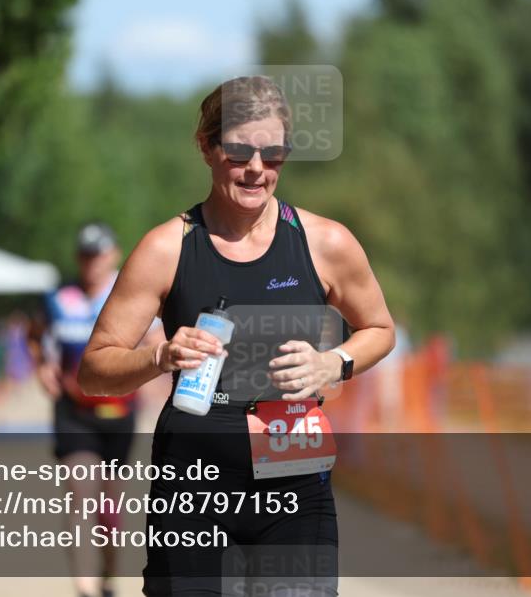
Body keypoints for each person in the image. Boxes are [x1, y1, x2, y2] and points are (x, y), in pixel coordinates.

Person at [79, 75, 396, 596]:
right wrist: (160, 355)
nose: (256, 169)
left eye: (273, 155)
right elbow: (94, 370)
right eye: (239, 152)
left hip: (294, 487)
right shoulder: (167, 248)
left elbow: (379, 328)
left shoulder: (325, 242)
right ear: (206, 147)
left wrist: (332, 363)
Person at [28, 222, 164, 597]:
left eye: (98, 255)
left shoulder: (128, 292)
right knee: (80, 494)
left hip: (119, 410)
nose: (92, 263)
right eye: (85, 255)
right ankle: (84, 587)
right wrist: (42, 366)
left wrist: (149, 370)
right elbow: (34, 333)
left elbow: (157, 339)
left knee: (108, 507)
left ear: (114, 255)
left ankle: (108, 576)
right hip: (73, 410)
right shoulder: (58, 297)